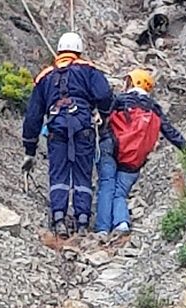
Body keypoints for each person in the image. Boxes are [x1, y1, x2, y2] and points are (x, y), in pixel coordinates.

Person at [21, 32, 113, 238]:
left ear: (59, 50)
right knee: (82, 174)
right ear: (79, 50)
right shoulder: (89, 70)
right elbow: (105, 95)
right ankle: (82, 221)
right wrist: (103, 115)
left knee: (58, 174)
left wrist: (30, 150)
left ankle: (59, 218)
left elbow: (33, 116)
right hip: (83, 128)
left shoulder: (44, 76)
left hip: (57, 129)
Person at [94, 68, 186, 236]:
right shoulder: (155, 109)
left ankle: (102, 228)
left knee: (106, 184)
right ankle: (121, 222)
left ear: (132, 82)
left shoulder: (120, 100)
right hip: (133, 159)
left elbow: (103, 118)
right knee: (120, 192)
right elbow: (171, 132)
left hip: (110, 147)